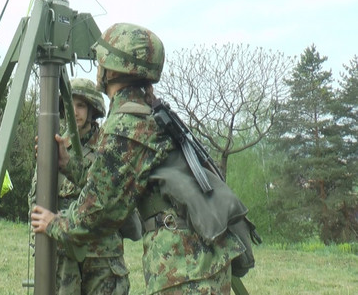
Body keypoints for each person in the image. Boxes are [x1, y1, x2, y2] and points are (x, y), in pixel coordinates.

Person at [32, 23, 245, 294]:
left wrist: (55, 223)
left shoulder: (127, 123)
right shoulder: (145, 111)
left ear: (111, 68)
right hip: (194, 263)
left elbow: (100, 210)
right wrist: (69, 164)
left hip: (185, 267)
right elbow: (119, 182)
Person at [28, 77, 131, 295]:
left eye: (81, 105)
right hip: (64, 252)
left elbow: (111, 196)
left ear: (93, 110)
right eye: (70, 105)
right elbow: (36, 198)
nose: (75, 112)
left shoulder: (109, 145)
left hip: (102, 256)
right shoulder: (54, 146)